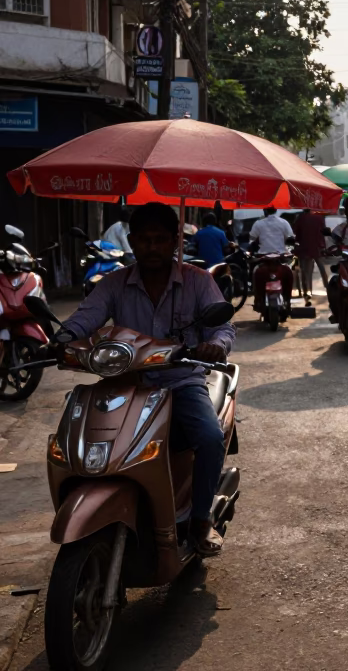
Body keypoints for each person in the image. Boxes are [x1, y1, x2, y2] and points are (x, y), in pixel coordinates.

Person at [62, 202, 234, 556]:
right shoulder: (114, 284)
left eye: (160, 240)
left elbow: (222, 326)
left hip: (180, 382)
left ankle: (201, 521)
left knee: (210, 437)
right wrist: (60, 340)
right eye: (144, 240)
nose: (152, 248)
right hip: (125, 383)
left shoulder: (197, 282)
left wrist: (215, 345)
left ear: (174, 241)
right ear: (132, 242)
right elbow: (85, 317)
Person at [249, 207, 294, 313]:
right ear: (276, 211)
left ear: (265, 211)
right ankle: (288, 301)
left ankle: (258, 300)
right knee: (289, 272)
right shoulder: (284, 222)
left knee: (255, 272)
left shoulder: (258, 223)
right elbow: (291, 237)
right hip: (280, 257)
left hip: (264, 258)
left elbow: (251, 238)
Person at [292, 208, 330, 306]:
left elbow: (295, 232)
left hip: (304, 248)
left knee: (306, 272)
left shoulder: (300, 218)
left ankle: (307, 294)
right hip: (317, 247)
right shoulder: (319, 217)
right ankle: (328, 288)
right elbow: (323, 231)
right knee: (322, 270)